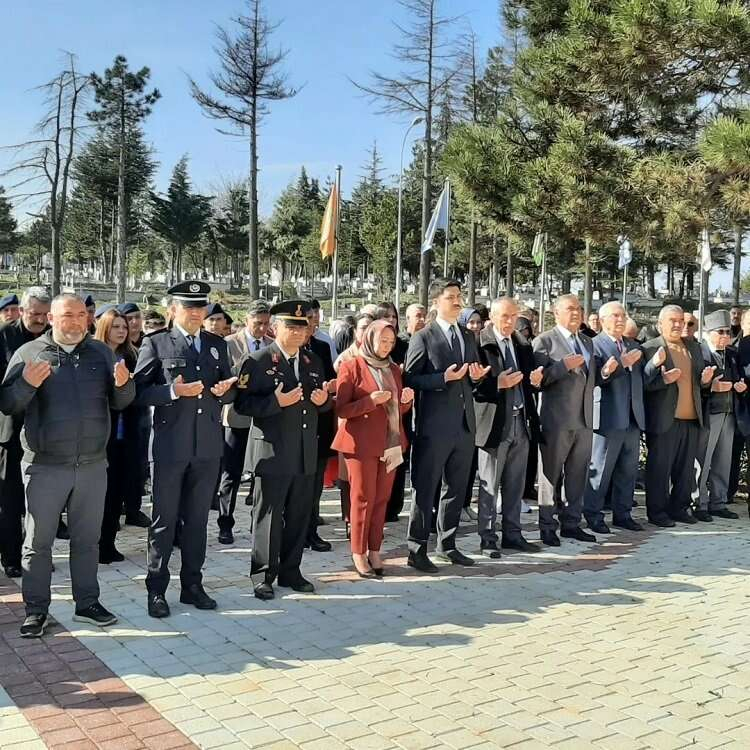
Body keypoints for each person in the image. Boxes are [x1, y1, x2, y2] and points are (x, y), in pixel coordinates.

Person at [0, 294, 134, 638]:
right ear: (51, 319)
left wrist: (125, 385)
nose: (75, 322)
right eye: (66, 315)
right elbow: (8, 404)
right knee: (38, 543)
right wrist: (27, 384)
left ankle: (87, 603)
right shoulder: (29, 353)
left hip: (92, 465)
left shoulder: (101, 353)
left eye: (80, 315)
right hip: (45, 466)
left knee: (87, 540)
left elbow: (121, 401)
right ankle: (36, 610)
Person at [134, 281, 236, 618]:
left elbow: (227, 389)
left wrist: (225, 391)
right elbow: (137, 393)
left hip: (207, 446)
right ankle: (157, 589)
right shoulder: (156, 343)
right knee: (164, 522)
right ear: (172, 310)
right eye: (189, 307)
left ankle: (192, 585)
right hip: (170, 448)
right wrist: (172, 392)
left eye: (200, 306)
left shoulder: (216, 344)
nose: (196, 313)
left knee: (196, 521)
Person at [234, 300, 331, 600]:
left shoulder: (312, 361)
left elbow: (321, 401)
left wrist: (323, 402)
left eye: (303, 327)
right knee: (269, 516)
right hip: (272, 452)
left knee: (300, 514)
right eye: (292, 327)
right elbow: (242, 404)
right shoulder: (258, 360)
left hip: (304, 450)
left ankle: (291, 570)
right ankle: (263, 574)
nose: (299, 332)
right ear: (275, 328)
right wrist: (276, 402)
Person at [404, 278, 489, 572]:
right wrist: (443, 378)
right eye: (451, 296)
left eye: (459, 295)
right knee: (425, 489)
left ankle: (448, 545)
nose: (457, 301)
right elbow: (410, 379)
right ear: (436, 302)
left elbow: (472, 376)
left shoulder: (466, 336)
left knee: (456, 488)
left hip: (464, 424)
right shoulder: (424, 337)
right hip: (433, 426)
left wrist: (476, 377)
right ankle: (416, 549)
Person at [333, 320, 413, 577]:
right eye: (383, 341)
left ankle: (375, 549)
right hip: (361, 444)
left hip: (390, 443)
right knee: (362, 498)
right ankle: (358, 552)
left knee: (381, 499)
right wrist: (370, 401)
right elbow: (342, 409)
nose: (387, 347)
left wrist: (406, 402)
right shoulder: (351, 366)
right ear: (369, 339)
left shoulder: (394, 369)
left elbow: (396, 410)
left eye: (391, 342)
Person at [474, 298, 542, 557]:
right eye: (504, 316)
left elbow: (530, 378)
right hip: (494, 423)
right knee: (490, 484)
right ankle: (487, 537)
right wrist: (496, 384)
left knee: (515, 484)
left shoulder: (521, 343)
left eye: (513, 316)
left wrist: (536, 380)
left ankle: (513, 534)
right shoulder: (480, 344)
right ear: (492, 317)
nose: (509, 321)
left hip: (521, 420)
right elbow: (473, 387)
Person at [533, 294, 601, 546]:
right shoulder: (544, 341)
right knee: (550, 475)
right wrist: (562, 366)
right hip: (556, 420)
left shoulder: (587, 341)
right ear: (556, 313)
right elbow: (538, 381)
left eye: (579, 309)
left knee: (577, 474)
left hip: (584, 419)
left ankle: (571, 523)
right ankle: (547, 525)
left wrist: (606, 373)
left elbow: (590, 378)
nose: (576, 313)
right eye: (570, 309)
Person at [642, 305, 714, 526]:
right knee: (660, 469)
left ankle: (680, 508)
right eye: (672, 320)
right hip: (665, 420)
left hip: (691, 418)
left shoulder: (693, 347)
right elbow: (643, 384)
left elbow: (698, 382)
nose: (677, 324)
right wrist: (663, 378)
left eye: (680, 320)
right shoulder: (650, 348)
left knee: (685, 470)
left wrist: (705, 381)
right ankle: (657, 513)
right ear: (660, 324)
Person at [0, 287, 51, 579]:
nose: (40, 320)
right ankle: (11, 556)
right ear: (21, 311)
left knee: (40, 501)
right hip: (10, 430)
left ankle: (36, 554)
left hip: (45, 430)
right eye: (35, 314)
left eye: (45, 314)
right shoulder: (4, 337)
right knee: (10, 500)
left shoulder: (53, 338)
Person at [582, 302, 645, 533]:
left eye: (623, 316)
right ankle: (593, 514)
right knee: (601, 470)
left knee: (628, 470)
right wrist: (615, 367)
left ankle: (623, 514)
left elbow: (641, 379)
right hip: (608, 416)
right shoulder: (594, 344)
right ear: (602, 320)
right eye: (615, 316)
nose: (620, 320)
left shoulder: (632, 345)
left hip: (632, 417)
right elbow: (593, 379)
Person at [217, 299, 273, 544]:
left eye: (266, 323)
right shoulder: (228, 344)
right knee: (231, 473)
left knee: (261, 473)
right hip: (236, 417)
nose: (262, 328)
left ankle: (257, 523)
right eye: (258, 323)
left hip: (263, 417)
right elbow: (224, 375)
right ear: (247, 320)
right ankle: (225, 524)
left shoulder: (272, 345)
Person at [94, 308, 139, 562]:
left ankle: (108, 542)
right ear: (105, 328)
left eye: (124, 327)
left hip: (126, 433)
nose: (122, 331)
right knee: (99, 493)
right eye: (116, 327)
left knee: (117, 491)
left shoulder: (132, 355)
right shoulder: (94, 355)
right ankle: (96, 544)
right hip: (100, 435)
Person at [694, 310, 744, 521]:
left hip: (729, 413)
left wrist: (740, 386)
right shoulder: (699, 352)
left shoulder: (731, 353)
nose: (725, 336)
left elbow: (737, 377)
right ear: (708, 332)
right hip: (709, 413)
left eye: (728, 332)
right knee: (702, 460)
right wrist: (709, 386)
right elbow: (692, 384)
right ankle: (698, 503)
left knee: (723, 461)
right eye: (720, 332)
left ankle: (718, 502)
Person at [303, 308, 336, 552]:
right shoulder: (277, 352)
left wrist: (331, 388)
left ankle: (310, 531)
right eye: (307, 322)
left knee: (315, 484)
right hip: (294, 428)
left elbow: (330, 378)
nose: (310, 327)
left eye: (313, 323)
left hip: (319, 422)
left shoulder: (321, 348)